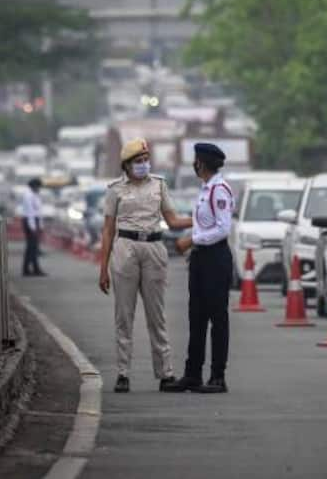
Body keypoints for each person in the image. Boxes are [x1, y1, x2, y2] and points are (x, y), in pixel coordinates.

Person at [99, 138, 193, 393]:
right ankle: (122, 373)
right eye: (138, 162)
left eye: (145, 160)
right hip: (126, 247)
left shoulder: (159, 185)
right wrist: (103, 268)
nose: (143, 165)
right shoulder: (115, 189)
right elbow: (108, 230)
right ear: (127, 165)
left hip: (153, 247)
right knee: (124, 315)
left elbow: (172, 220)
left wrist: (199, 218)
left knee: (157, 314)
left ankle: (165, 373)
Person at [164, 142, 234, 394]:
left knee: (218, 318)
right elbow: (204, 223)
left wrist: (192, 239)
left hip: (216, 258)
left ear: (201, 163)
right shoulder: (205, 190)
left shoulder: (219, 190)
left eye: (195, 160)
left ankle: (217, 376)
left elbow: (222, 228)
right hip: (202, 259)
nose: (194, 164)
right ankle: (192, 374)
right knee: (196, 318)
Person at [22, 178, 46, 276]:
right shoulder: (28, 196)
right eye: (38, 187)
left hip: (34, 221)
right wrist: (33, 227)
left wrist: (40, 225)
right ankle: (31, 269)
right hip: (30, 221)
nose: (39, 189)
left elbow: (38, 212)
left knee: (32, 248)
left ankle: (30, 269)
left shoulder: (35, 195)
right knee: (32, 247)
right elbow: (30, 212)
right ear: (34, 186)